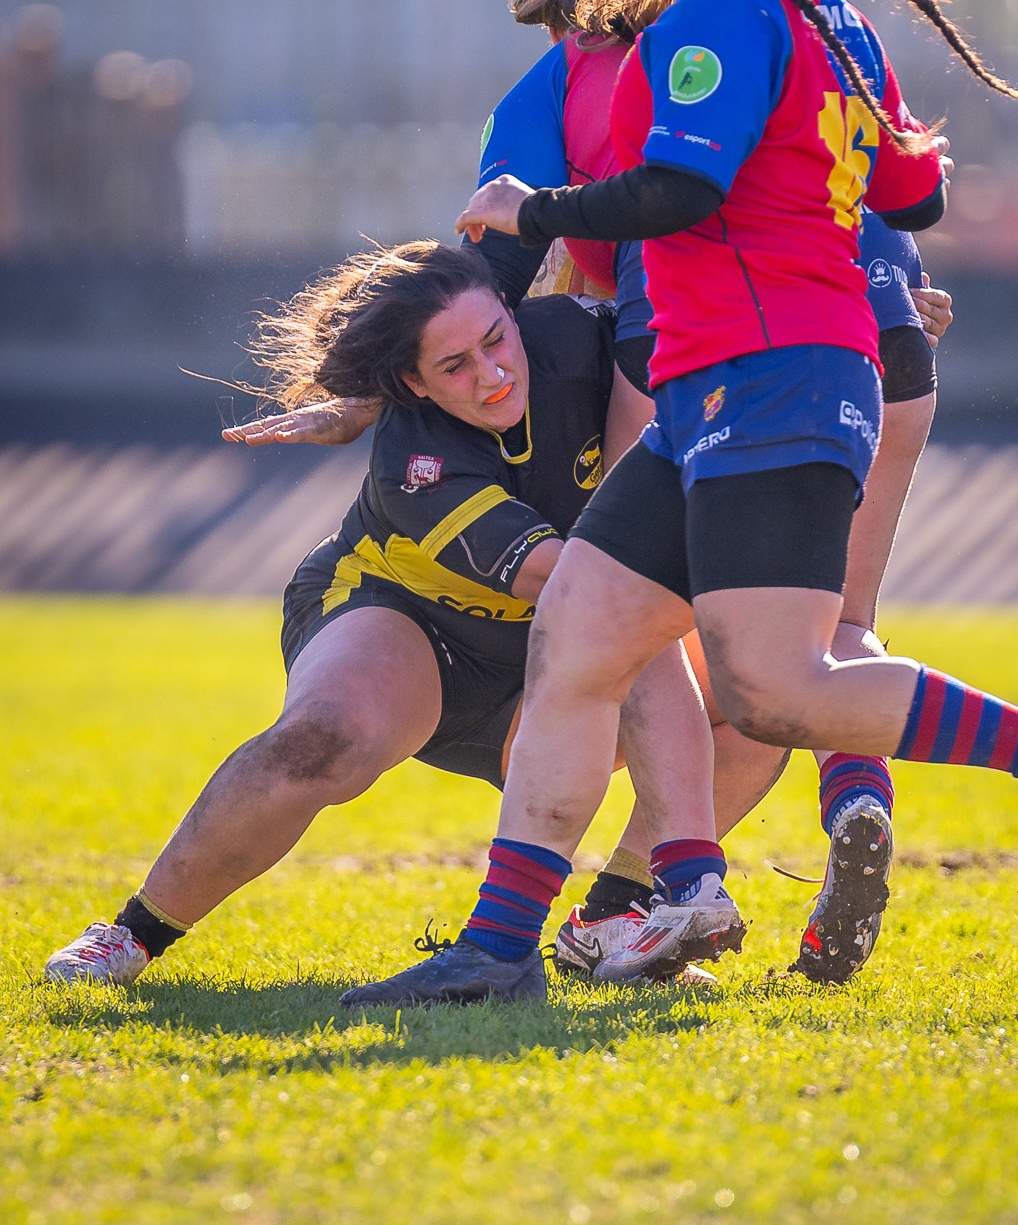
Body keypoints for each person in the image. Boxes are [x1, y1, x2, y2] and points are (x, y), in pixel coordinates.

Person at [343, 0, 1018, 1011]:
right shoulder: (832, 16)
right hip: (728, 383)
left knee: (775, 688)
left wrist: (534, 208)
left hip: (769, 376)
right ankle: (498, 949)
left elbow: (683, 192)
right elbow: (913, 196)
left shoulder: (716, 17)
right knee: (581, 635)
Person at [473, 0, 955, 984]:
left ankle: (660, 894)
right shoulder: (790, 29)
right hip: (877, 352)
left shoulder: (581, 78)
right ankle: (841, 808)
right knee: (837, 629)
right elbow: (886, 194)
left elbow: (494, 267)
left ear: (562, 7)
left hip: (719, 361)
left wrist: (371, 377)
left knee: (635, 645)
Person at [43, 242, 727, 989]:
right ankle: (133, 933)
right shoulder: (415, 458)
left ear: (512, 311)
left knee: (754, 692)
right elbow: (575, 583)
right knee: (325, 740)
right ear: (411, 385)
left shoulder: (576, 336)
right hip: (405, 619)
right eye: (454, 366)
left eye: (496, 340)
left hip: (542, 656)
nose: (492, 375)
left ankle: (620, 917)